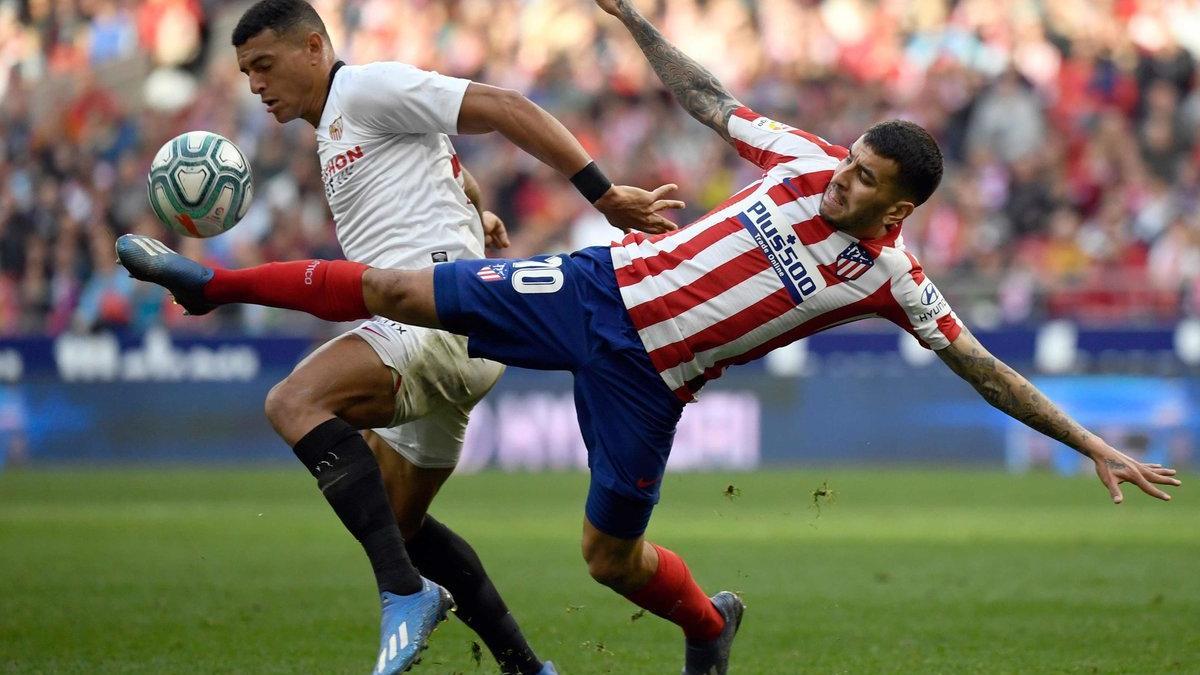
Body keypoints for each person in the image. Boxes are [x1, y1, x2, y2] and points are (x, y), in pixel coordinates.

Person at [119, 1, 1183, 672]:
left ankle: (708, 626)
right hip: (589, 285)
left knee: (605, 558)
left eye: (866, 183)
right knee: (402, 288)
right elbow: (712, 100)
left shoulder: (892, 278)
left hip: (652, 382)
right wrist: (632, 20)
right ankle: (213, 284)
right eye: (850, 163)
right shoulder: (804, 162)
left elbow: (983, 367)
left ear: (899, 210)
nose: (843, 182)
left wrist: (1088, 441)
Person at [186, 2, 684, 674]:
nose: (255, 85)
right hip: (464, 338)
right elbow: (445, 165)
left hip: (432, 325)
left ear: (312, 47)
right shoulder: (340, 126)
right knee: (400, 522)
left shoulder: (363, 89)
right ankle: (527, 666)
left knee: (294, 403)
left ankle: (403, 592)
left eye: (265, 66)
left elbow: (506, 106)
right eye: (246, 72)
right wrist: (477, 209)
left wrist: (602, 195)